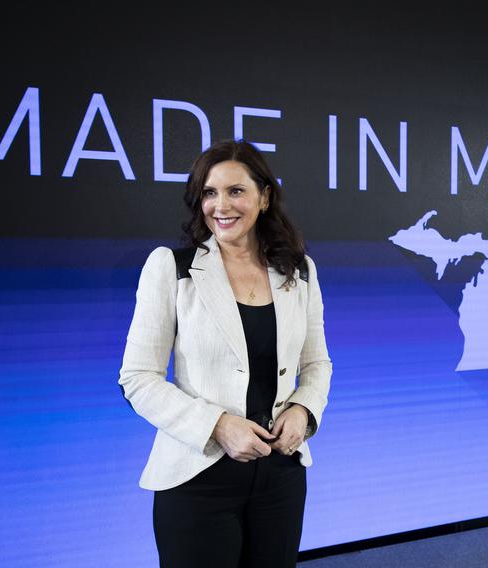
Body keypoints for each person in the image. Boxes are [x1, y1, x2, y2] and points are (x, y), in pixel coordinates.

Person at [118, 139, 332, 568]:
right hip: (197, 476)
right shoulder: (171, 267)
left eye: (236, 191)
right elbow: (137, 378)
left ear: (264, 197)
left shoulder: (299, 270)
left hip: (281, 475)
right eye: (209, 193)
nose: (221, 205)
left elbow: (316, 364)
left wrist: (304, 411)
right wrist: (217, 425)